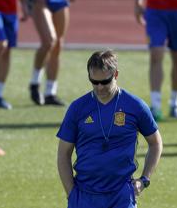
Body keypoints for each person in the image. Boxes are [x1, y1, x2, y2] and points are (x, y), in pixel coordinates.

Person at [57, 50, 162, 208]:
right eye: (94, 81)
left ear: (116, 74)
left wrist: (144, 180)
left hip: (121, 196)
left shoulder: (135, 106)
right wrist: (71, 194)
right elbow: (63, 153)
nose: (99, 87)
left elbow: (156, 143)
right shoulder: (77, 108)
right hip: (84, 195)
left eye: (105, 82)